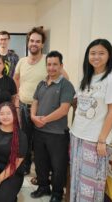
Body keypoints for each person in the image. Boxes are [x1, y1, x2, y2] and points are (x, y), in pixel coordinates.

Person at [70, 39, 112, 202]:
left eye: (101, 53)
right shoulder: (88, 76)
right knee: (77, 179)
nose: (96, 57)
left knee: (91, 184)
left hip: (95, 139)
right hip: (77, 134)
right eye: (92, 53)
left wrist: (102, 140)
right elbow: (77, 102)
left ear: (109, 55)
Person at [13, 26, 69, 176]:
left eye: (38, 41)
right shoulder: (22, 62)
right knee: (25, 139)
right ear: (28, 42)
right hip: (24, 107)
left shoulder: (48, 61)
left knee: (41, 143)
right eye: (32, 41)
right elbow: (16, 79)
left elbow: (65, 79)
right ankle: (25, 167)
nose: (34, 44)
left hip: (44, 109)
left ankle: (43, 172)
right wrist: (17, 99)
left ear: (42, 44)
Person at [30, 51, 75, 202]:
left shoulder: (66, 85)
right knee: (40, 163)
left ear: (61, 66)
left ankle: (56, 193)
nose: (51, 67)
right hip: (39, 131)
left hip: (57, 134)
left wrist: (44, 120)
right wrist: (32, 116)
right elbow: (35, 102)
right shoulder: (41, 83)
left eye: (55, 64)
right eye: (49, 64)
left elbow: (64, 109)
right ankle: (43, 187)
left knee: (58, 166)